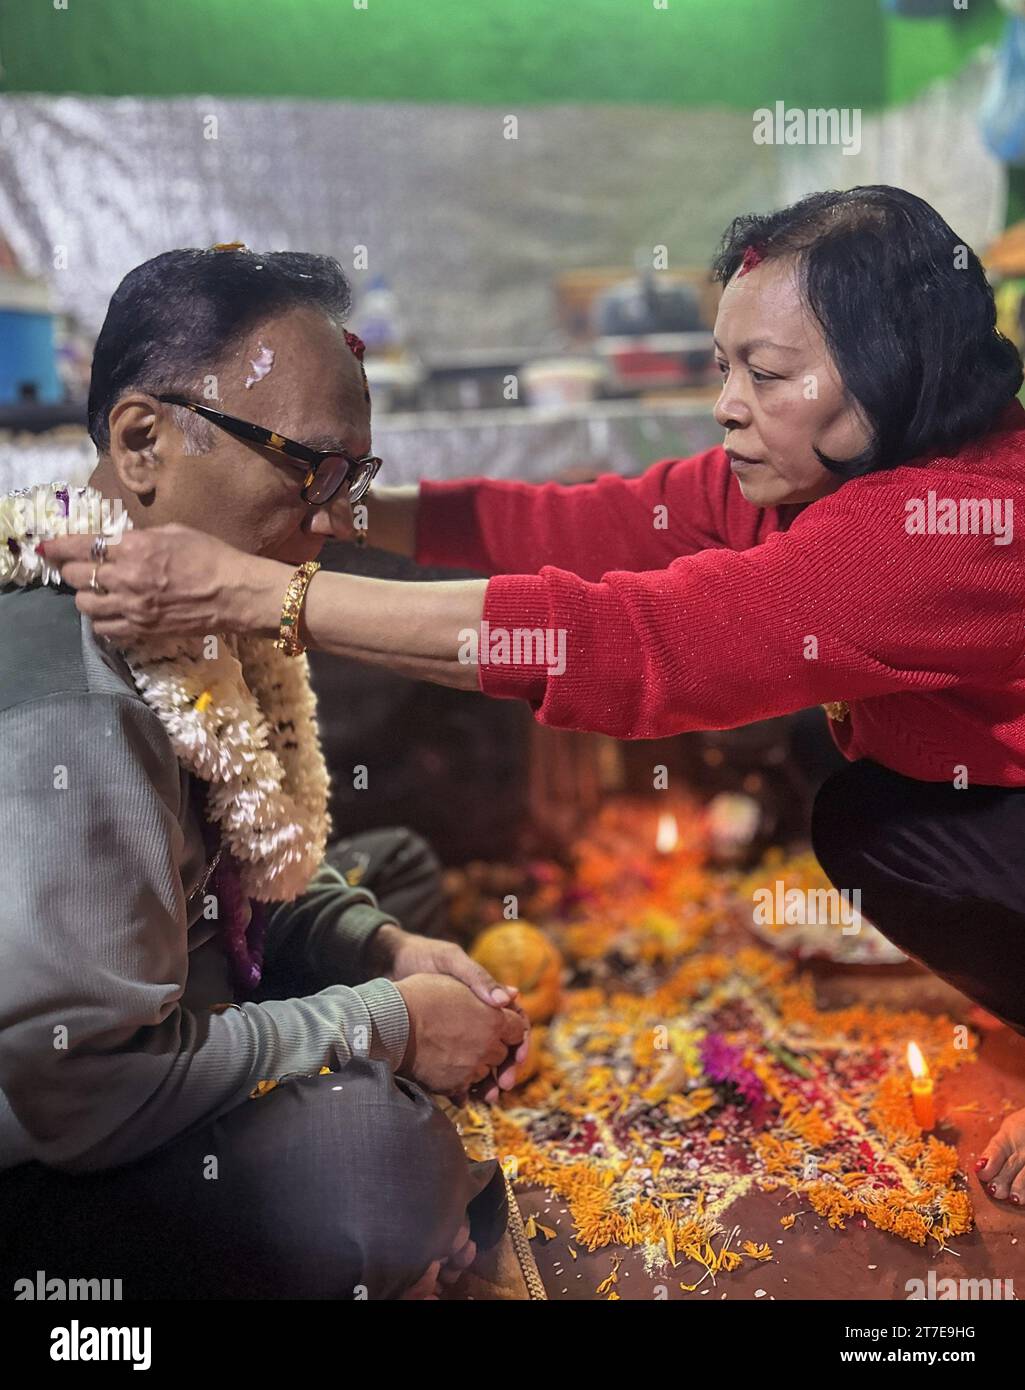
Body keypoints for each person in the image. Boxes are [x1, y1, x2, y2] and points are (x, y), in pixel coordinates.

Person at [46, 186, 1025, 1205]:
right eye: (722, 367)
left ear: (885, 375)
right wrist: (333, 495)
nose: (726, 404)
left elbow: (631, 643)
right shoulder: (830, 470)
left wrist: (262, 591)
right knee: (871, 810)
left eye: (766, 375)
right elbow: (587, 524)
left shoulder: (945, 527)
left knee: (871, 816)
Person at [0, 248, 530, 1301]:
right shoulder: (80, 707)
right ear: (142, 443)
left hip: (167, 998)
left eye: (351, 478)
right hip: (54, 1142)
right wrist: (390, 1024)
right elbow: (80, 1087)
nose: (333, 520)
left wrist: (384, 950)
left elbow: (229, 881)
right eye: (308, 466)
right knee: (376, 1164)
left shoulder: (174, 605)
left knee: (392, 877)